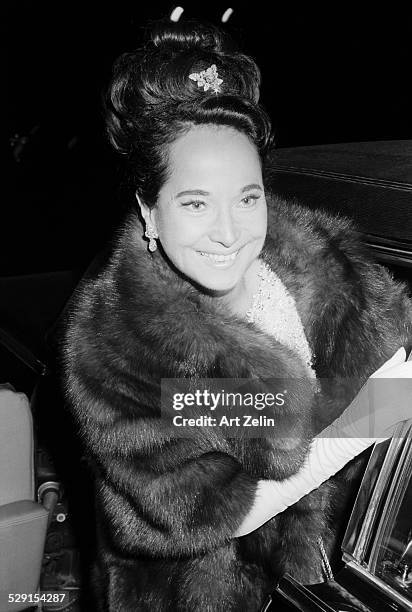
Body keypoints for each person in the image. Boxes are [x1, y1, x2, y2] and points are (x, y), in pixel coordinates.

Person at [62, 20, 412, 611]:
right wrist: (374, 414)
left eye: (247, 197)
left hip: (323, 575)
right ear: (150, 209)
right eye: (195, 202)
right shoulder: (117, 349)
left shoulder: (328, 265)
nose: (229, 233)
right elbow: (206, 511)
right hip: (195, 592)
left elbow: (394, 344)